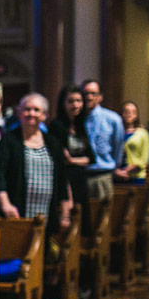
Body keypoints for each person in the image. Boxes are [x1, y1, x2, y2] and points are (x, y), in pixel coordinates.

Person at [0, 93, 71, 235]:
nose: (31, 113)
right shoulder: (9, 140)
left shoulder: (53, 143)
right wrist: (6, 204)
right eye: (27, 109)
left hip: (47, 212)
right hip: (16, 212)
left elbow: (62, 179)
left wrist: (65, 213)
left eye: (36, 110)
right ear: (19, 113)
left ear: (44, 115)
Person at [48, 84, 95, 235]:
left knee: (81, 223)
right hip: (66, 180)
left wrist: (74, 161)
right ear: (63, 104)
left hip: (80, 180)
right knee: (67, 223)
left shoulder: (81, 125)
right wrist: (80, 160)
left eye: (79, 101)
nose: (75, 105)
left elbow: (92, 158)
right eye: (71, 101)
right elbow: (62, 159)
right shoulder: (57, 125)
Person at [81, 79, 124, 201]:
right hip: (81, 177)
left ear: (100, 97)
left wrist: (114, 167)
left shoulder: (113, 119)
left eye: (93, 93)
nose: (89, 97)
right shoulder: (76, 119)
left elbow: (118, 148)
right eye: (86, 94)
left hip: (102, 177)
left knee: (102, 217)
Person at [115, 101, 149, 185]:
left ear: (136, 115)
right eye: (126, 112)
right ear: (122, 114)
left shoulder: (143, 133)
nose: (129, 114)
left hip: (136, 176)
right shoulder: (117, 133)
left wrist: (126, 170)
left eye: (132, 112)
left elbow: (144, 160)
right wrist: (116, 171)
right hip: (118, 176)